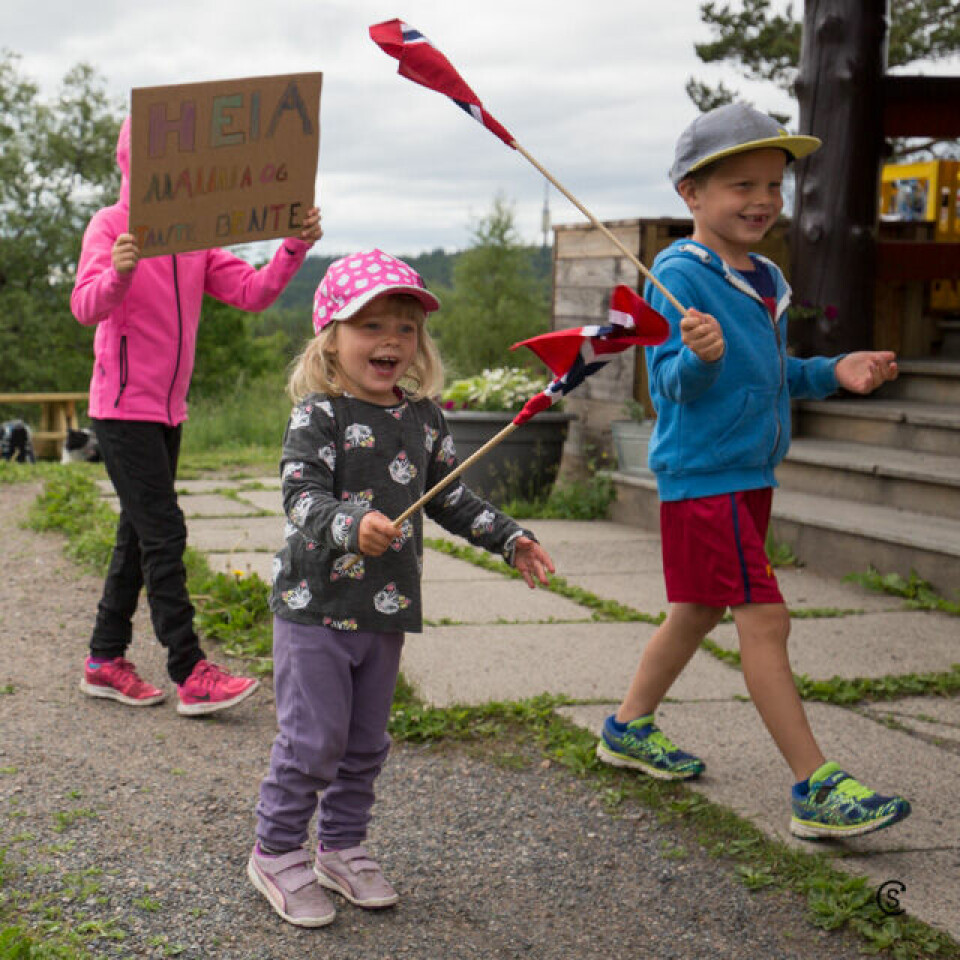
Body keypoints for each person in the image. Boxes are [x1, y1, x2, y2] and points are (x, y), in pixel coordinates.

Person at [597, 103, 911, 840]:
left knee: (698, 609)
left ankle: (627, 727)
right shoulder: (677, 273)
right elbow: (669, 383)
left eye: (773, 184)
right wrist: (695, 357)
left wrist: (838, 370)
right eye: (741, 185)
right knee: (764, 619)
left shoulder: (765, 275)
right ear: (691, 195)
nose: (763, 200)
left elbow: (770, 374)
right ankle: (815, 787)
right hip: (705, 477)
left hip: (749, 474)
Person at [246, 250, 555, 927]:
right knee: (313, 740)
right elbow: (299, 498)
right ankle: (276, 851)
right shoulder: (317, 415)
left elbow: (449, 497)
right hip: (315, 607)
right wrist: (349, 524)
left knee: (365, 741)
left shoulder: (424, 419)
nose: (391, 341)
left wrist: (508, 537)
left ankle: (342, 846)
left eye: (406, 327)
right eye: (372, 325)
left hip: (384, 611)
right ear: (331, 334)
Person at [71, 117, 322, 716]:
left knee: (137, 536)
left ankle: (105, 659)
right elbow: (84, 306)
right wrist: (119, 273)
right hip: (120, 409)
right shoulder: (110, 227)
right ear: (132, 166)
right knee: (164, 532)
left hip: (167, 409)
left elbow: (255, 293)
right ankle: (189, 669)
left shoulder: (194, 239)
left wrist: (294, 245)